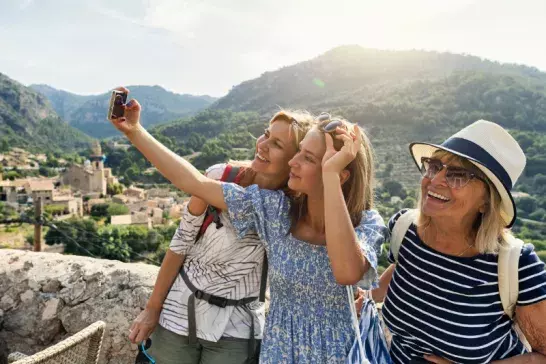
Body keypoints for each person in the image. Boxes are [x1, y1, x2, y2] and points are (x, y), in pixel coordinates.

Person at [111, 87, 388, 363]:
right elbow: (194, 182)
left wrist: (330, 174)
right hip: (280, 352)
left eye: (308, 158)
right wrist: (135, 131)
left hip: (337, 353)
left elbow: (346, 272)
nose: (293, 161)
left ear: (340, 174)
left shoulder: (366, 223)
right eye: (298, 152)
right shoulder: (277, 211)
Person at [128, 109, 315, 364]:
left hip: (238, 328)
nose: (263, 145)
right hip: (179, 313)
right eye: (266, 135)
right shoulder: (222, 177)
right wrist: (152, 309)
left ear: (295, 160)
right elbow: (181, 241)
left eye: (277, 144)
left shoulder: (291, 209)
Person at [371, 120, 546, 363]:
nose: (435, 180)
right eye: (434, 166)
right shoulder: (405, 230)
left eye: (457, 175)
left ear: (486, 202)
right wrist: (363, 297)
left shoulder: (517, 267)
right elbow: (402, 273)